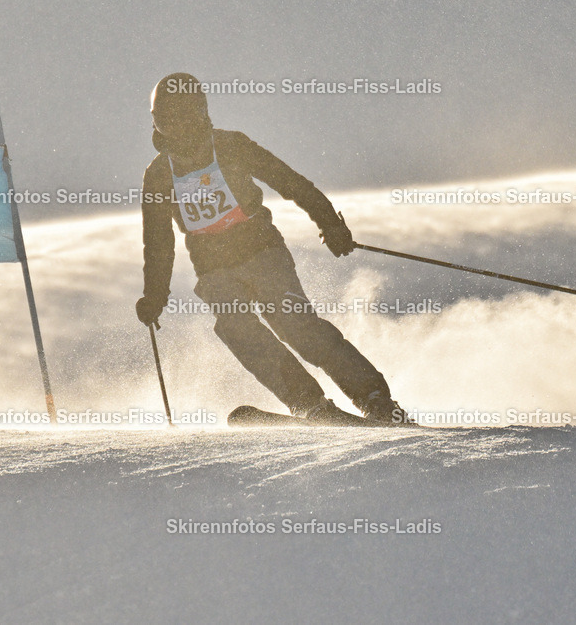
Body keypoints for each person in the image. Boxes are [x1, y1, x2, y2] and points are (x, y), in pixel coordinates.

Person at [135, 73, 408, 426]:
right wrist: (154, 295)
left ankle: (376, 400)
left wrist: (330, 224)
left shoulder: (231, 146)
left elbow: (289, 181)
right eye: (165, 121)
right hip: (215, 271)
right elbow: (158, 242)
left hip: (263, 254)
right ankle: (307, 403)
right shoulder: (159, 175)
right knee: (236, 327)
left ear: (199, 114)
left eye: (181, 119)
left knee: (296, 325)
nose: (175, 129)